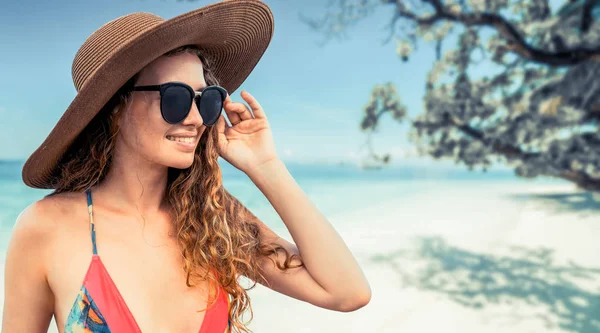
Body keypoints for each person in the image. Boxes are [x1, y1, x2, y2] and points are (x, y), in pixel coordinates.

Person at [1, 0, 371, 332]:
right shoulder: (46, 229)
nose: (197, 119)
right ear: (115, 109)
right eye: (176, 98)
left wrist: (266, 166)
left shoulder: (212, 217)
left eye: (206, 99)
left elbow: (346, 292)